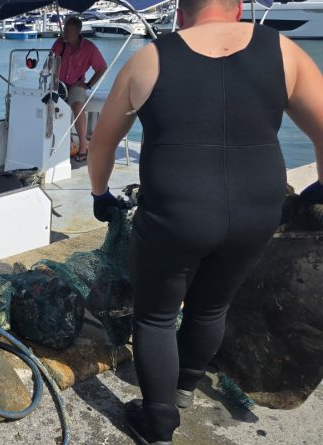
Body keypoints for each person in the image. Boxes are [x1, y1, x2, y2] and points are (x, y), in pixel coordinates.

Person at [87, 0, 323, 442]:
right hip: (257, 211)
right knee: (212, 306)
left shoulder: (150, 58)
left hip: (175, 213)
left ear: (179, 14)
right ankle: (184, 390)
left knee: (156, 316)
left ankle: (157, 423)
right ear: (236, 10)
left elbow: (101, 145)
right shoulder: (283, 51)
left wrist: (100, 194)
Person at [51, 16, 107, 162]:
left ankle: (82, 146)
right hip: (59, 83)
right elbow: (50, 63)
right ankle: (64, 143)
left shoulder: (89, 48)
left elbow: (102, 68)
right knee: (52, 107)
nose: (64, 32)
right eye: (64, 29)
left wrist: (88, 84)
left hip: (77, 84)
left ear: (76, 31)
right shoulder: (59, 44)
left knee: (77, 107)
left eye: (67, 30)